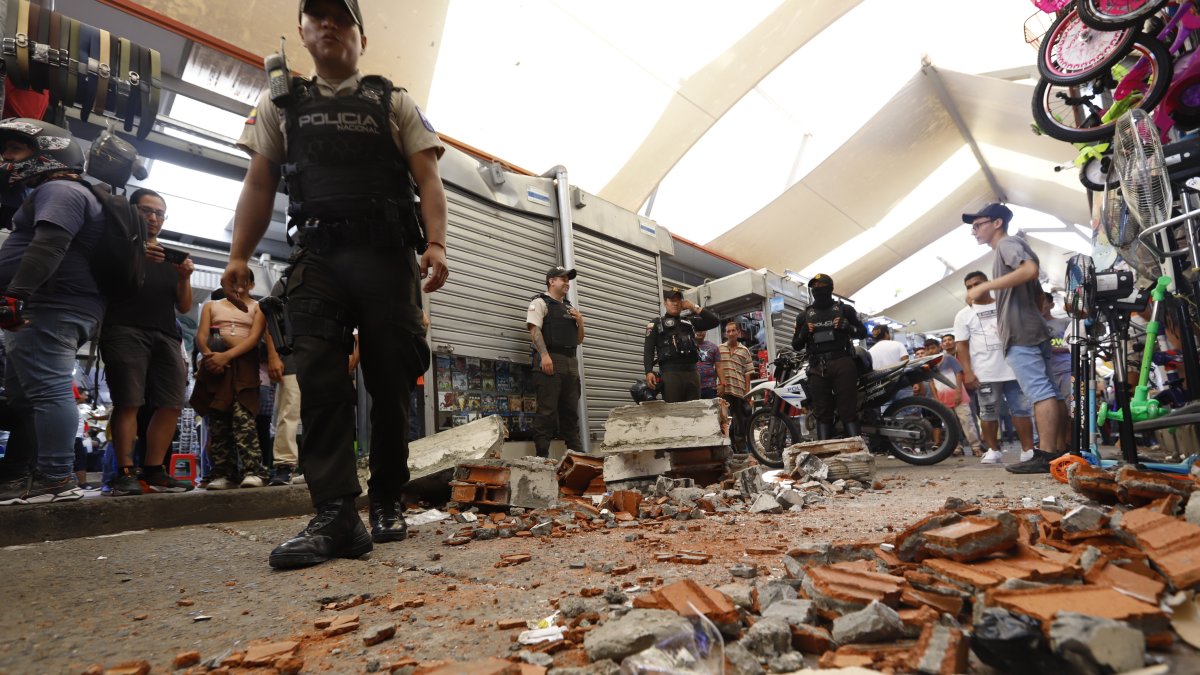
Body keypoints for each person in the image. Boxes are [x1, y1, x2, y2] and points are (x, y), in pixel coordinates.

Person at [222, 0, 450, 569]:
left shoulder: (393, 101)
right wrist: (238, 254)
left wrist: (437, 244)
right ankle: (337, 514)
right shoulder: (279, 105)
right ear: (301, 32)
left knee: (391, 384)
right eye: (317, 16)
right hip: (318, 259)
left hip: (386, 258)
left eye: (342, 18)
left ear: (361, 38)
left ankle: (388, 498)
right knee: (321, 381)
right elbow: (258, 183)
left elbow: (428, 179)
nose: (329, 24)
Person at [0, 119, 103, 505]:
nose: (6, 157)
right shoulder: (61, 190)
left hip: (50, 306)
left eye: (15, 149)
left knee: (47, 391)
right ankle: (29, 474)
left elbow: (50, 244)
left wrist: (14, 296)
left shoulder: (60, 189)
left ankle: (56, 477)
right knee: (26, 396)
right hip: (49, 305)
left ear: (49, 151)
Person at [100, 188, 196, 496]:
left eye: (159, 213)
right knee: (128, 401)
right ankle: (125, 472)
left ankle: (155, 469)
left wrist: (184, 277)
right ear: (131, 212)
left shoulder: (169, 257)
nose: (153, 218)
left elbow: (184, 307)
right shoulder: (115, 245)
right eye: (146, 211)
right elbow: (106, 283)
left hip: (167, 333)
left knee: (172, 403)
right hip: (124, 328)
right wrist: (136, 255)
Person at [964, 204, 1069, 473]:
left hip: (1021, 332)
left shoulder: (1007, 244)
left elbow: (1030, 270)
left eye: (978, 225)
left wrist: (985, 286)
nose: (974, 231)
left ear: (997, 223)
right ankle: (1061, 450)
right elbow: (1037, 292)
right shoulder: (1010, 247)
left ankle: (1046, 454)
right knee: (1050, 391)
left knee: (1040, 392)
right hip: (1031, 327)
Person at [954, 270, 1036, 465]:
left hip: (1015, 368)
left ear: (988, 283)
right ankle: (993, 450)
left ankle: (1028, 450)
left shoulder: (1004, 304)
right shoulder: (963, 315)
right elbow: (961, 346)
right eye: (969, 287)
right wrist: (968, 372)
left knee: (1021, 410)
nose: (974, 288)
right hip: (985, 373)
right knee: (988, 412)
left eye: (977, 284)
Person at [190, 287, 268, 489]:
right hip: (214, 365)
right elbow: (201, 337)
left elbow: (254, 339)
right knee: (218, 420)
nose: (237, 286)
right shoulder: (210, 306)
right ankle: (224, 473)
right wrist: (209, 356)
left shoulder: (257, 307)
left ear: (251, 284)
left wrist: (226, 355)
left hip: (244, 366)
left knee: (244, 418)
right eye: (232, 280)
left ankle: (253, 470)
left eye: (242, 281)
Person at [791, 274, 866, 439]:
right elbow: (796, 345)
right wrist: (803, 333)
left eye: (821, 285)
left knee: (848, 411)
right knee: (822, 413)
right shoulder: (803, 316)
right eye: (814, 286)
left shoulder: (845, 310)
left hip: (843, 362)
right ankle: (825, 448)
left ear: (830, 288)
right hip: (817, 367)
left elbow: (862, 332)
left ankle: (858, 448)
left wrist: (849, 327)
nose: (817, 288)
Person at [526, 265, 584, 458]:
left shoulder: (569, 307)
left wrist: (581, 322)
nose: (567, 283)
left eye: (568, 280)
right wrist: (544, 356)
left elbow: (578, 340)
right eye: (563, 279)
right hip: (551, 359)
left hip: (570, 362)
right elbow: (534, 330)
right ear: (552, 281)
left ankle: (578, 459)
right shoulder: (540, 302)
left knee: (570, 413)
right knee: (547, 412)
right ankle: (542, 457)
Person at [644, 288, 720, 403]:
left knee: (694, 410)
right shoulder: (656, 323)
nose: (675, 303)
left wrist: (693, 307)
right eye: (672, 300)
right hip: (670, 374)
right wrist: (648, 371)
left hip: (692, 373)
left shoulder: (689, 322)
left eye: (678, 300)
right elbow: (648, 349)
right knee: (674, 411)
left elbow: (714, 321)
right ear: (665, 303)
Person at [922, 337, 983, 457]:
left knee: (967, 422)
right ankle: (957, 447)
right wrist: (937, 400)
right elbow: (932, 383)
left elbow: (958, 374)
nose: (930, 351)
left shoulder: (948, 358)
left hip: (959, 396)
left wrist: (958, 392)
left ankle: (976, 447)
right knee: (951, 425)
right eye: (928, 349)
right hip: (943, 398)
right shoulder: (928, 364)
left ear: (939, 347)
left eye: (933, 348)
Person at [264, 324, 300, 486]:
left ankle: (315, 466)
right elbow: (270, 322)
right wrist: (273, 355)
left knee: (320, 414)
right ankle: (284, 465)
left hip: (321, 356)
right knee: (287, 413)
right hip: (291, 355)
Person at [717, 321, 755, 442]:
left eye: (733, 330)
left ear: (738, 332)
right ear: (725, 334)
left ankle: (742, 447)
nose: (731, 333)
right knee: (725, 421)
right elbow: (716, 368)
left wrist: (747, 393)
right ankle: (729, 445)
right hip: (724, 391)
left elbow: (748, 372)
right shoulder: (719, 349)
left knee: (740, 421)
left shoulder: (744, 350)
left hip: (739, 390)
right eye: (728, 331)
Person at [695, 330, 722, 399]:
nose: (700, 332)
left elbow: (719, 367)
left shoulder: (713, 347)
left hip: (710, 387)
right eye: (697, 329)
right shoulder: (687, 347)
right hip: (692, 387)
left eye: (702, 329)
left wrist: (722, 384)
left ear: (706, 331)